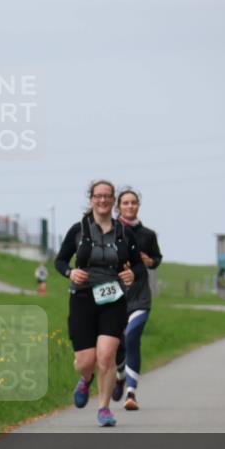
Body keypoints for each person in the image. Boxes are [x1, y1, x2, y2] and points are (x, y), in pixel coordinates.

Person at [54, 180, 142, 427]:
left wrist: (132, 274)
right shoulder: (78, 230)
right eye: (98, 196)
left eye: (107, 196)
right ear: (91, 199)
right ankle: (85, 379)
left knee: (106, 356)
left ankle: (104, 408)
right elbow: (60, 261)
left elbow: (138, 265)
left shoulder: (124, 233)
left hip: (113, 298)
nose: (102, 200)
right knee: (86, 361)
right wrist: (70, 272)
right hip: (82, 298)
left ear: (113, 200)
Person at [110, 187, 163, 411]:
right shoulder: (109, 231)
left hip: (140, 296)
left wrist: (150, 262)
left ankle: (131, 392)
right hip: (116, 296)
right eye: (126, 203)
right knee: (118, 343)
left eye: (134, 202)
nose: (130, 206)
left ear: (138, 206)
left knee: (132, 336)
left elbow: (157, 258)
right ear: (118, 207)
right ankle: (120, 376)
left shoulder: (148, 235)